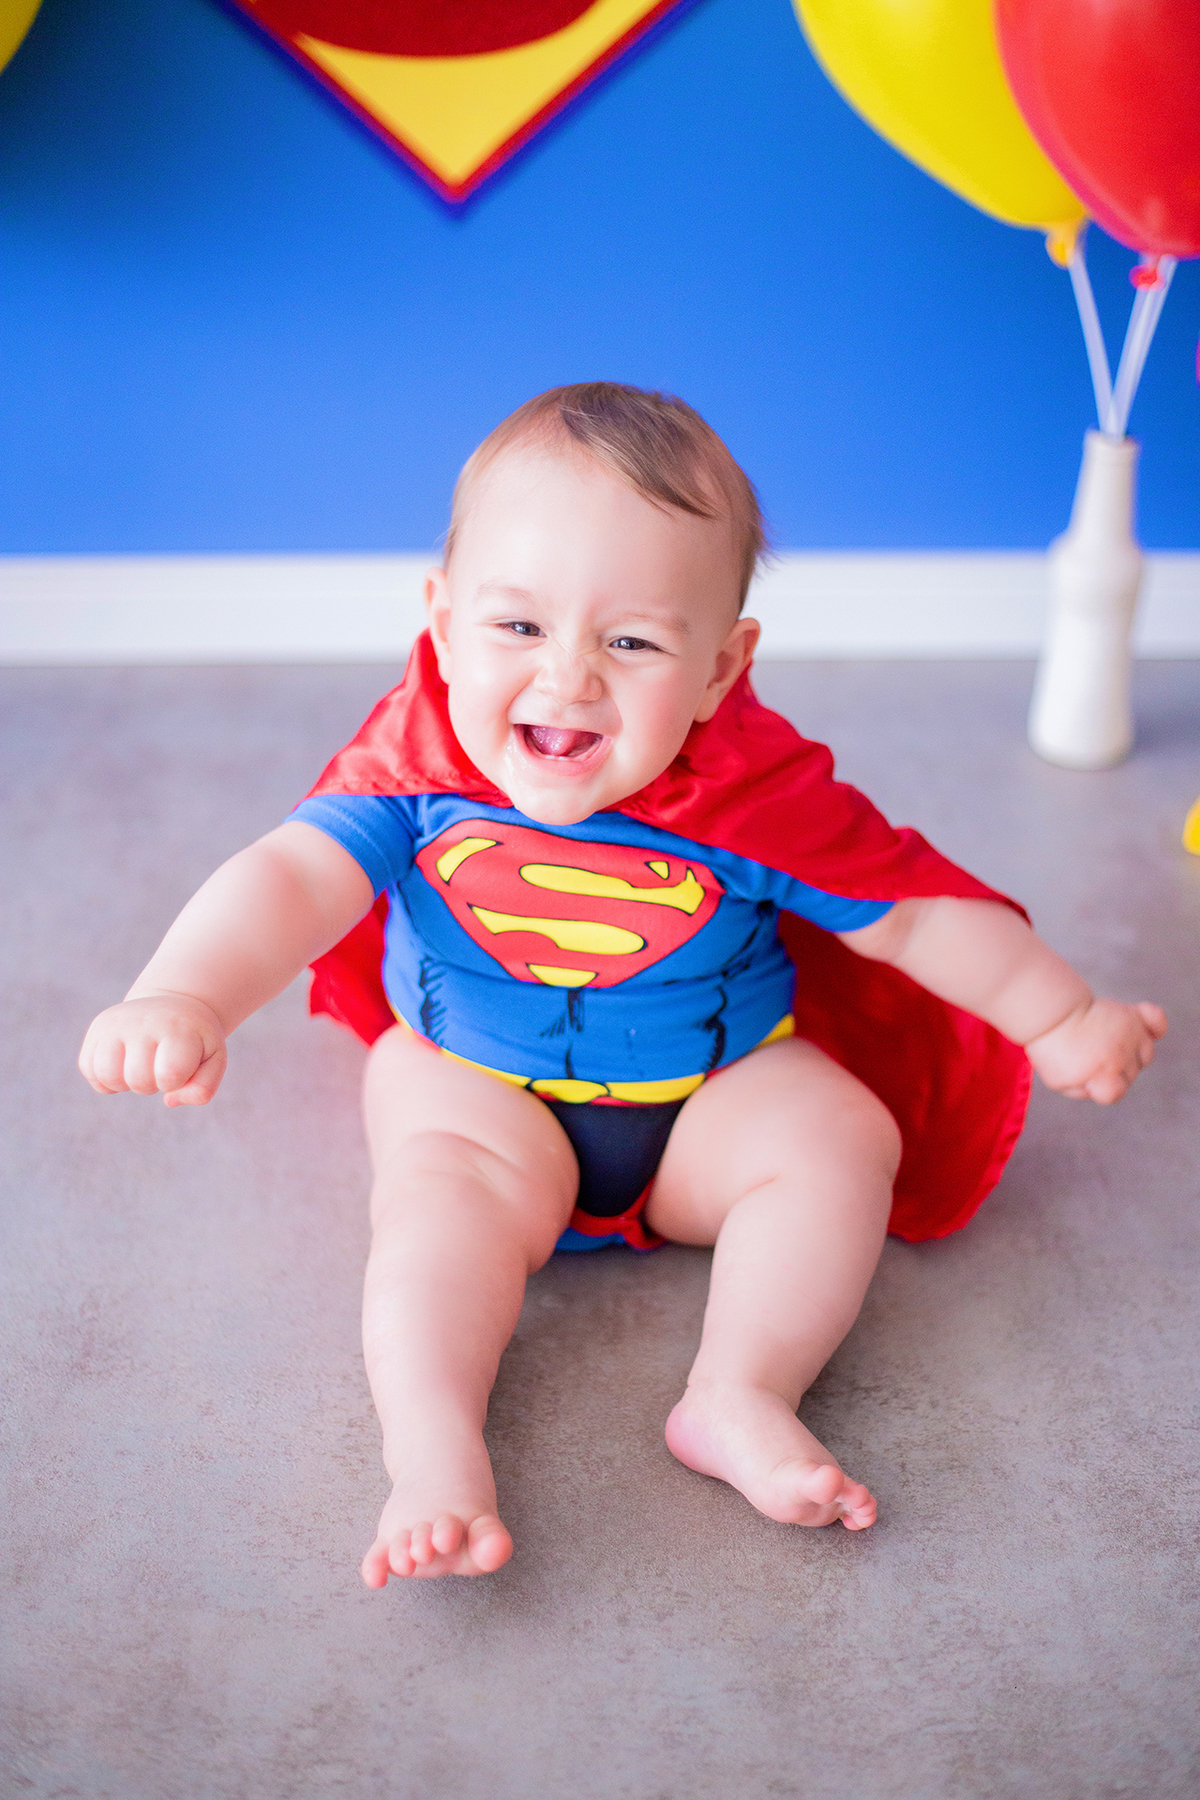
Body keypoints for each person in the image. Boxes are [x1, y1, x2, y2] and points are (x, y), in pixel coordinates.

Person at [79, 384, 1166, 1584]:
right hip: (480, 1091)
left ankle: (740, 1391)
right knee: (434, 1214)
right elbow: (290, 878)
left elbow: (908, 914)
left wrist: (1060, 1014)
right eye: (518, 628)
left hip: (712, 1095)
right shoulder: (415, 773)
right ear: (440, 622)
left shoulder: (755, 800)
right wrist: (185, 993)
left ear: (720, 668)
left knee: (838, 1137)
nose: (568, 680)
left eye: (633, 641)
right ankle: (432, 1451)